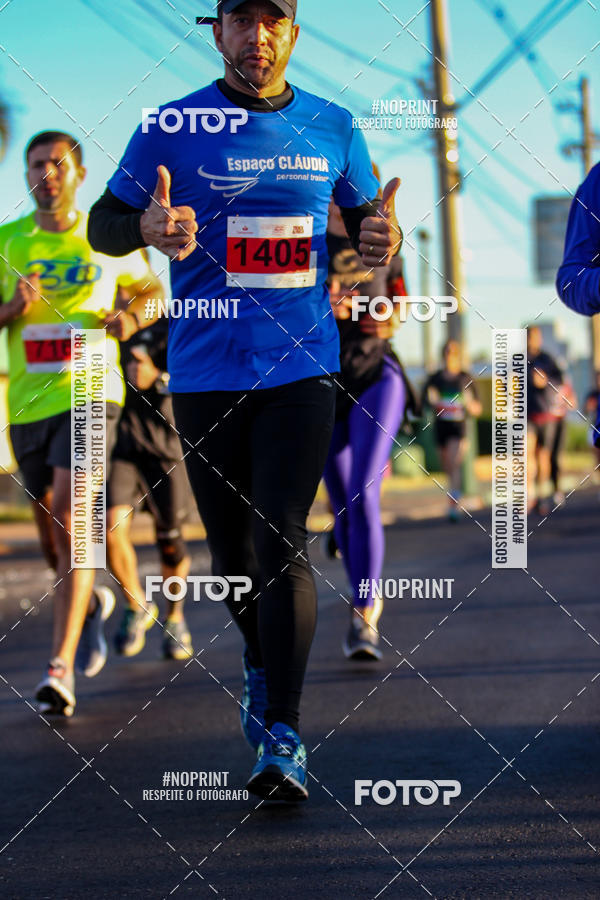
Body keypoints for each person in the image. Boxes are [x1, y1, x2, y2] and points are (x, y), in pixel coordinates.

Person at [88, 0, 402, 801]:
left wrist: (380, 241)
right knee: (231, 558)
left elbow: (370, 224)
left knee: (282, 536)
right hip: (205, 370)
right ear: (218, 30)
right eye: (240, 19)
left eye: (273, 19)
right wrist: (148, 228)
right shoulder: (171, 125)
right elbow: (103, 225)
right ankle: (260, 673)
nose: (256, 36)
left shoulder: (334, 125)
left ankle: (286, 733)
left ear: (292, 33)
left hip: (302, 368)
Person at [0, 130, 161, 716]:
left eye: (58, 164)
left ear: (79, 174)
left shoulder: (102, 239)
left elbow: (152, 293)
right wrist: (10, 311)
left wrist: (127, 317)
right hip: (29, 403)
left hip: (93, 389)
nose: (47, 173)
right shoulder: (6, 241)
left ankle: (59, 667)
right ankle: (90, 601)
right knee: (53, 531)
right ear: (26, 174)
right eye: (37, 164)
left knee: (73, 514)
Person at [324, 197, 415, 661]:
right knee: (341, 506)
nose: (349, 206)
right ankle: (348, 549)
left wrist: (387, 318)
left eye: (360, 197)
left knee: (363, 490)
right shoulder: (304, 242)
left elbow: (401, 307)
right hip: (319, 382)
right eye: (341, 196)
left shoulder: (387, 243)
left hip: (376, 374)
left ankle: (365, 615)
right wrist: (324, 306)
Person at [107, 304, 193, 661]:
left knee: (169, 540)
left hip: (165, 447)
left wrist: (157, 377)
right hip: (121, 446)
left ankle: (175, 619)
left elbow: (199, 372)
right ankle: (136, 604)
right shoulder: (106, 319)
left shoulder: (175, 318)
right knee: (107, 528)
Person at [422, 340, 482, 521]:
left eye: (453, 353)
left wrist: (470, 405)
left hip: (459, 427)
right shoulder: (435, 378)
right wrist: (432, 402)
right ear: (443, 355)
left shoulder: (465, 378)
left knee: (455, 462)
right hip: (441, 426)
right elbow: (424, 401)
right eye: (447, 352)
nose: (450, 356)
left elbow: (478, 407)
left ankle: (453, 506)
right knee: (447, 465)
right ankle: (455, 493)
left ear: (458, 356)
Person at [526, 326, 565, 515]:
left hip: (546, 414)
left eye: (534, 337)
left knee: (543, 456)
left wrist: (545, 381)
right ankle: (529, 495)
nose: (530, 340)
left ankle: (542, 496)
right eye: (527, 337)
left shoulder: (547, 360)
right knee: (526, 453)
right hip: (526, 415)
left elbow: (560, 382)